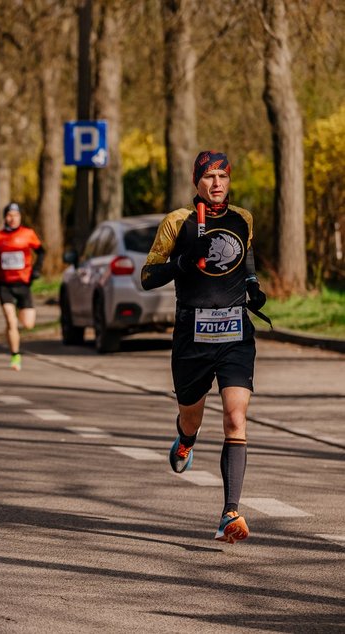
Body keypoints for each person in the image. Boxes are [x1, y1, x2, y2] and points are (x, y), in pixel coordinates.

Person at [141, 151, 267, 544]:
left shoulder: (241, 218)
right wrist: (182, 262)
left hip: (234, 334)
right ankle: (186, 440)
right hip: (191, 337)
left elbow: (244, 258)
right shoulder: (177, 222)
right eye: (209, 176)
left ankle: (230, 512)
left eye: (223, 177)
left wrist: (253, 288)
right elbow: (148, 276)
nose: (217, 184)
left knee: (235, 417)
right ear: (197, 180)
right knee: (192, 417)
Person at [0, 202, 45, 371]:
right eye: (9, 215)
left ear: (20, 217)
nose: (12, 219)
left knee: (28, 324)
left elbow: (41, 252)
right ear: (5, 217)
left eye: (15, 215)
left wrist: (36, 270)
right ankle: (15, 355)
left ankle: (18, 314)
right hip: (5, 285)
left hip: (24, 284)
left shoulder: (28, 234)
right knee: (11, 322)